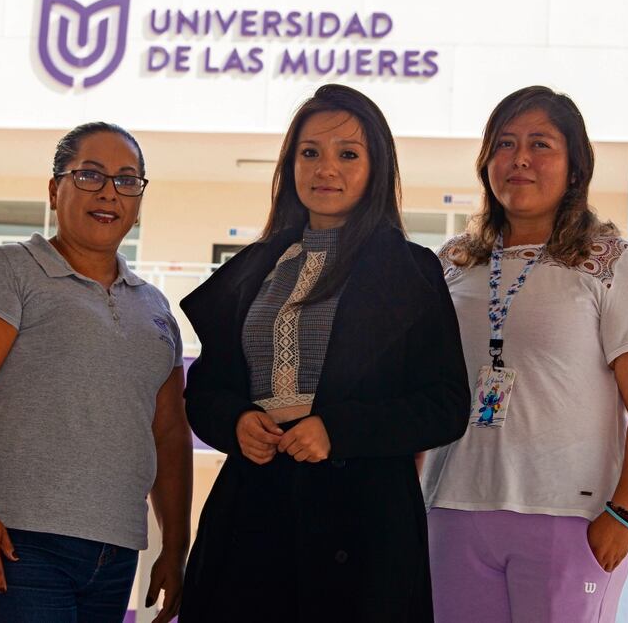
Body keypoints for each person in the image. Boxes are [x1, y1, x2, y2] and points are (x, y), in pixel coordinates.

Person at [178, 83, 469, 623]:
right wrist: (235, 421)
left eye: (348, 154)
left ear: (376, 168)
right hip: (253, 510)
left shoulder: (410, 271)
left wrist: (338, 428)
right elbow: (205, 390)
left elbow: (447, 405)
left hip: (363, 522)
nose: (325, 169)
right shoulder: (251, 269)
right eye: (309, 152)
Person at [421, 86, 628, 622]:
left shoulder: (612, 262)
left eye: (541, 144)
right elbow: (420, 394)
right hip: (449, 512)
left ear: (575, 166)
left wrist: (625, 515)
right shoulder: (449, 264)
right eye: (505, 144)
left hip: (571, 519)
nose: (519, 159)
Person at [0, 122, 192, 623]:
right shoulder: (9, 270)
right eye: (90, 175)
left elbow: (169, 433)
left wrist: (175, 547)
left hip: (113, 553)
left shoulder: (156, 308)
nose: (109, 193)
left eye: (127, 180)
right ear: (55, 190)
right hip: (15, 544)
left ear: (138, 203)